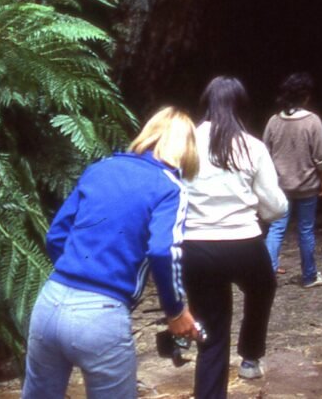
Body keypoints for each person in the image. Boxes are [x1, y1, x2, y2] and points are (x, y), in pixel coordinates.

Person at [23, 107, 200, 399]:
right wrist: (175, 310)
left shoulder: (100, 168)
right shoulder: (170, 188)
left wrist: (79, 272)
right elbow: (162, 250)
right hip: (100, 317)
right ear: (187, 149)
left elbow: (56, 235)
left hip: (50, 302)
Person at [181, 76, 288, 398]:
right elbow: (274, 205)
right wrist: (266, 213)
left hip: (196, 246)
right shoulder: (251, 146)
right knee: (263, 286)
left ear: (205, 105)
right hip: (243, 243)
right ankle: (251, 356)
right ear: (242, 106)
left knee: (212, 331)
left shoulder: (185, 143)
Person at [263, 72, 322, 288]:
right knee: (305, 230)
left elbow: (264, 153)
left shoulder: (274, 121)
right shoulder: (312, 121)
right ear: (306, 97)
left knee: (276, 229)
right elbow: (320, 156)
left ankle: (266, 275)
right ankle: (309, 276)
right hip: (306, 186)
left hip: (280, 186)